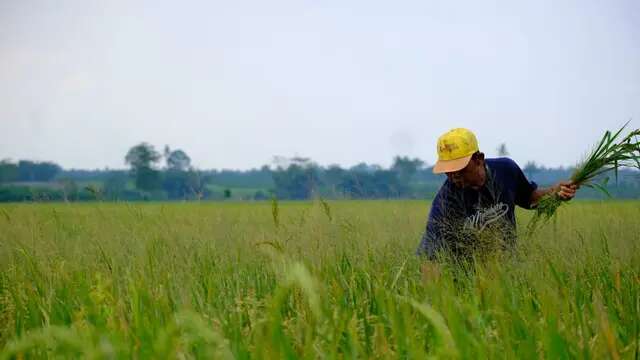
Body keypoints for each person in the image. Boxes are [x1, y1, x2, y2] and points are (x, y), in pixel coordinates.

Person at [416, 128, 577, 261]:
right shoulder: (445, 201)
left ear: (479, 159)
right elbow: (430, 256)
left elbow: (530, 198)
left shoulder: (506, 170)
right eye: (448, 172)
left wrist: (555, 193)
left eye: (461, 169)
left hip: (505, 268)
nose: (454, 176)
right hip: (466, 277)